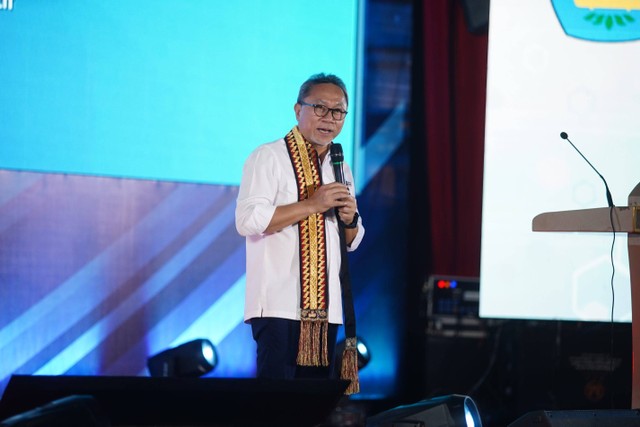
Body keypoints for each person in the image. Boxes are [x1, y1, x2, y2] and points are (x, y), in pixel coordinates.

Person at [235, 73, 364, 386]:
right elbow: (248, 220)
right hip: (278, 304)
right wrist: (312, 204)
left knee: (311, 409)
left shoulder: (340, 166)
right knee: (276, 408)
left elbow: (352, 241)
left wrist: (349, 218)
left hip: (326, 311)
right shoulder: (269, 156)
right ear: (297, 110)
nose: (329, 118)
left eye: (338, 111)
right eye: (320, 108)